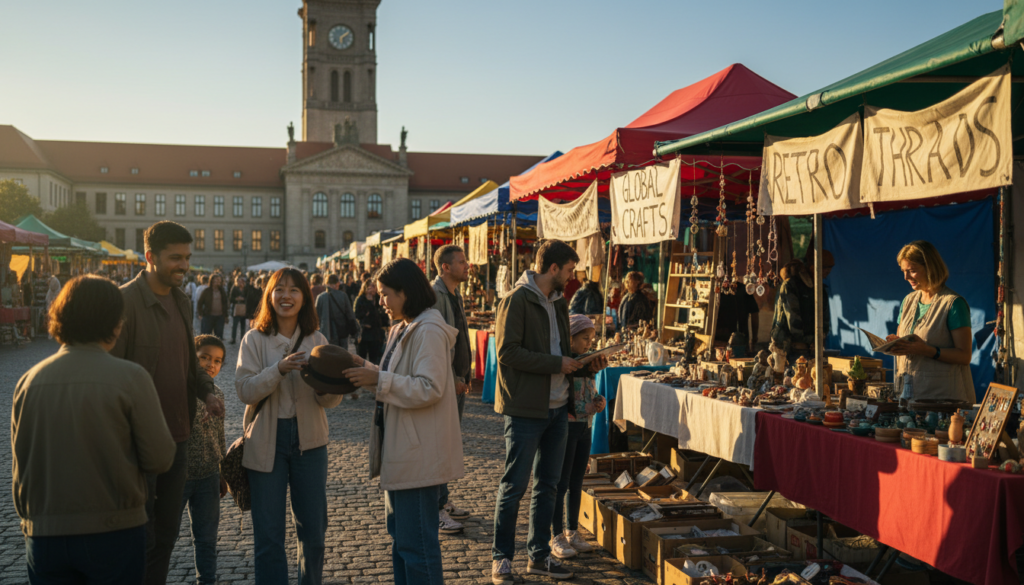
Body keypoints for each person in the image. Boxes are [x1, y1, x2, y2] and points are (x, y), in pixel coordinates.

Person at [12, 276, 176, 584]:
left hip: (45, 533)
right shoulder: (130, 377)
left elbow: (21, 465)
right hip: (113, 530)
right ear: (115, 324)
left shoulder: (29, 381)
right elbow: (160, 458)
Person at [111, 221, 224, 585]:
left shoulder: (181, 301)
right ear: (150, 257)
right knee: (137, 536)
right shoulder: (124, 304)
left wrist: (206, 391)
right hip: (138, 445)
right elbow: (110, 378)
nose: (184, 265)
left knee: (166, 535)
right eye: (175, 258)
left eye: (187, 257)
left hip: (179, 438)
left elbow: (188, 365)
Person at [341, 258, 464, 585]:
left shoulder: (429, 331)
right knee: (403, 543)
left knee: (417, 546)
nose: (381, 301)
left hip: (417, 454)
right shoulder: (404, 327)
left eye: (385, 294)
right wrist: (364, 367)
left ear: (406, 293)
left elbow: (429, 387)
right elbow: (396, 376)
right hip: (403, 451)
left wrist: (376, 379)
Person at [490, 239, 607, 584]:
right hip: (526, 408)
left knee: (548, 487)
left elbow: (562, 351)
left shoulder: (559, 302)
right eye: (569, 270)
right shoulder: (516, 300)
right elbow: (508, 353)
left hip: (559, 409)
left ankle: (539, 556)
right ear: (553, 268)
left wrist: (586, 363)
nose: (573, 277)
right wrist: (558, 363)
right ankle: (502, 558)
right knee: (514, 485)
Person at [236, 267, 343, 584]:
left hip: (310, 443)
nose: (286, 295)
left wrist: (324, 388)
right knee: (268, 536)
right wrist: (278, 369)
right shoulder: (254, 340)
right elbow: (245, 391)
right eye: (279, 289)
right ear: (269, 294)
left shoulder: (317, 339)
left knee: (313, 533)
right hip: (267, 441)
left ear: (305, 297)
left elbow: (330, 400)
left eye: (294, 289)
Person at [886, 241, 974, 403]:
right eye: (904, 271)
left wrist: (927, 350)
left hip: (943, 400)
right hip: (908, 396)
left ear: (930, 267)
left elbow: (964, 356)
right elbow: (903, 339)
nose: (906, 277)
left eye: (912, 271)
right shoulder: (908, 301)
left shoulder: (953, 304)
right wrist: (896, 344)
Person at [550, 314, 606, 559]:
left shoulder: (588, 364)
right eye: (584, 338)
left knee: (577, 482)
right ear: (570, 337)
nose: (588, 343)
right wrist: (589, 407)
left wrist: (599, 401)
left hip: (586, 427)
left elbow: (589, 392)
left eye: (591, 339)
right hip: (569, 426)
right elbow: (570, 401)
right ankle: (556, 535)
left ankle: (572, 531)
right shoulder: (568, 365)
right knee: (561, 483)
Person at [178, 335, 228, 585]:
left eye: (217, 360)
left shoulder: (217, 393)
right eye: (205, 357)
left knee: (206, 538)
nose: (211, 364)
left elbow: (220, 437)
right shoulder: (179, 390)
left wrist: (222, 472)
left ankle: (207, 581)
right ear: (191, 357)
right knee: (165, 537)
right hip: (179, 477)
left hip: (208, 477)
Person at [431, 244, 473, 534]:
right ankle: (434, 509)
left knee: (446, 445)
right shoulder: (436, 295)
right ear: (445, 267)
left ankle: (442, 501)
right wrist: (453, 376)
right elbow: (438, 344)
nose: (467, 265)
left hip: (456, 379)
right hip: (446, 381)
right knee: (439, 445)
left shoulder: (453, 292)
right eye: (461, 261)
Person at [770, 249, 835, 361]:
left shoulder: (820, 290)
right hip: (789, 350)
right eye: (824, 271)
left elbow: (825, 321)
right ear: (813, 267)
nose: (825, 275)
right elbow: (794, 323)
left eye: (828, 272)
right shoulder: (791, 286)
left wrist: (820, 339)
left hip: (810, 350)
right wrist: (812, 339)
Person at [315, 273, 359, 347]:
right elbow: (350, 314)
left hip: (326, 332)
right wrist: (354, 329)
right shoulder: (343, 295)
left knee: (329, 355)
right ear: (336, 284)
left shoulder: (320, 297)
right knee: (342, 354)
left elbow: (316, 316)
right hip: (342, 331)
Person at [716, 286, 761, 357]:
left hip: (720, 343)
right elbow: (754, 315)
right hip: (741, 343)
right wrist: (754, 339)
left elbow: (754, 314)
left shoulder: (717, 289)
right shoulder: (744, 290)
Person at [354, 278, 389, 365]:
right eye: (372, 286)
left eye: (374, 286)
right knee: (361, 358)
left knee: (375, 359)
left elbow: (383, 314)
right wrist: (365, 318)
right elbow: (356, 314)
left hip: (376, 333)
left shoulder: (378, 299)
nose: (374, 289)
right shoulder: (361, 299)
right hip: (364, 333)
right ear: (366, 288)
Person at [198, 273, 228, 338]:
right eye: (216, 280)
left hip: (219, 317)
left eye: (219, 280)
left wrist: (225, 316)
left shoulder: (222, 291)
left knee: (218, 337)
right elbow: (200, 303)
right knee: (206, 336)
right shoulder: (207, 291)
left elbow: (225, 303)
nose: (218, 282)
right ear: (212, 281)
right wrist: (200, 314)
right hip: (208, 316)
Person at [228, 275, 252, 344]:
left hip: (244, 309)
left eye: (242, 281)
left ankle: (242, 338)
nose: (241, 282)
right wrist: (236, 299)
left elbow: (249, 298)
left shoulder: (246, 289)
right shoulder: (234, 288)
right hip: (236, 308)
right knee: (235, 325)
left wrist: (243, 299)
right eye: (239, 281)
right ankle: (233, 338)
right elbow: (230, 298)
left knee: (243, 325)